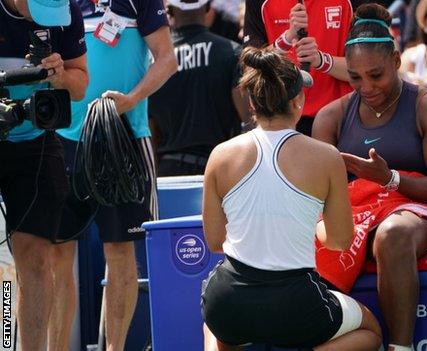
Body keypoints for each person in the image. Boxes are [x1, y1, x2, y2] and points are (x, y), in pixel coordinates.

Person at [200, 46, 382, 351]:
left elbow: (216, 242)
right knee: (371, 331)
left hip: (229, 301)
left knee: (214, 319)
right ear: (298, 102)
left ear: (252, 101)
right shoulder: (326, 157)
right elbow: (338, 241)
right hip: (296, 305)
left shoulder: (220, 155)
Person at [313, 5, 427, 350]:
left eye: (375, 75)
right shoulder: (330, 117)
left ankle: (400, 346)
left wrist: (390, 179)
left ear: (396, 61)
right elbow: (316, 195)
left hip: (422, 213)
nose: (366, 87)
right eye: (354, 77)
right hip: (352, 216)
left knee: (392, 234)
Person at [49, 0, 177, 348]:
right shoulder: (57, 4)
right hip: (62, 138)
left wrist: (131, 100)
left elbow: (167, 59)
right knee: (56, 254)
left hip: (124, 138)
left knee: (120, 253)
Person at [0, 0, 87, 348]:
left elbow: (80, 86)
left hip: (36, 139)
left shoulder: (66, 15)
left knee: (36, 258)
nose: (43, 20)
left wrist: (59, 75)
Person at [149, 0, 250, 177]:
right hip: (220, 169)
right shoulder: (231, 53)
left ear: (169, 12)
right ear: (208, 10)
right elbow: (249, 118)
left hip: (168, 171)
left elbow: (149, 129)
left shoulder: (154, 65)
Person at [243, 0, 367, 135]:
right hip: (281, 120)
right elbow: (250, 68)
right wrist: (286, 39)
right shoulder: (259, 2)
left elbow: (366, 70)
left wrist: (321, 60)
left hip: (340, 118)